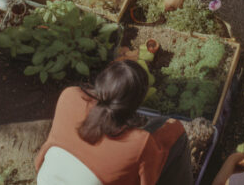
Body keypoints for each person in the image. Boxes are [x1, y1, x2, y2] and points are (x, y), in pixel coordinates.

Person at [35, 60, 192, 185]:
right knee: (176, 136)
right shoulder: (139, 143)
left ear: (102, 82)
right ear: (137, 102)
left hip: (46, 181)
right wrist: (172, 127)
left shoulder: (69, 96)